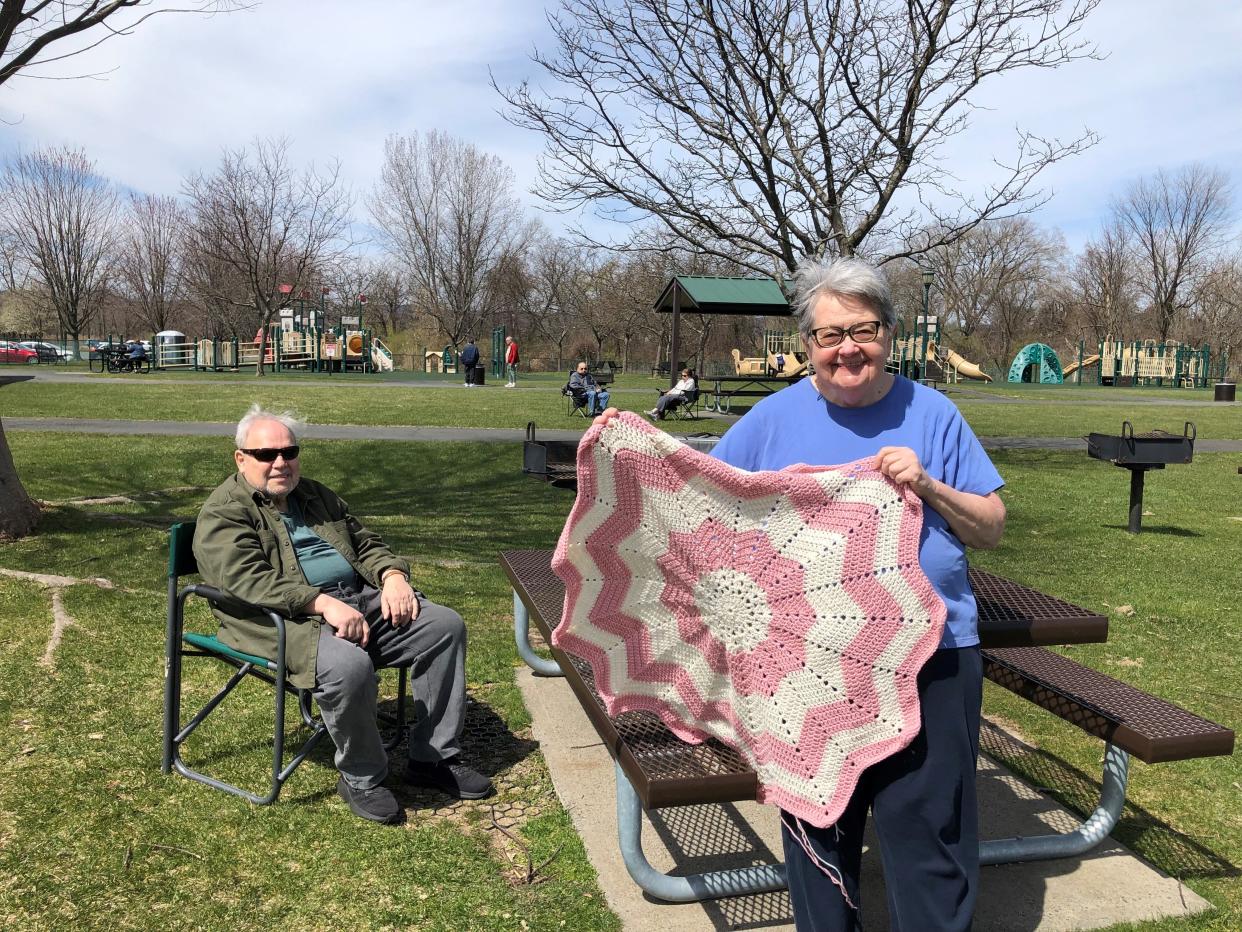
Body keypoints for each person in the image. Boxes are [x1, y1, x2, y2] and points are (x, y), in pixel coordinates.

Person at [591, 256, 1005, 931]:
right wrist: (634, 450)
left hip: (932, 659)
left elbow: (989, 529)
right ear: (806, 344)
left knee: (927, 831)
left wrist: (928, 487)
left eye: (863, 330)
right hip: (802, 670)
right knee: (819, 828)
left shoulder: (935, 414)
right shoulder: (772, 422)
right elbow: (695, 500)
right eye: (828, 334)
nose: (848, 348)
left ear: (890, 334)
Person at [193, 405, 493, 825]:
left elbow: (366, 542)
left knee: (443, 626)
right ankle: (363, 778)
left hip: (356, 600)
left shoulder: (315, 495)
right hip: (278, 621)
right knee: (348, 666)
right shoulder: (224, 510)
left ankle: (433, 757)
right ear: (240, 458)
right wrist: (321, 603)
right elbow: (245, 580)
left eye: (289, 451)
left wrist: (392, 576)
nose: (280, 462)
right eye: (266, 454)